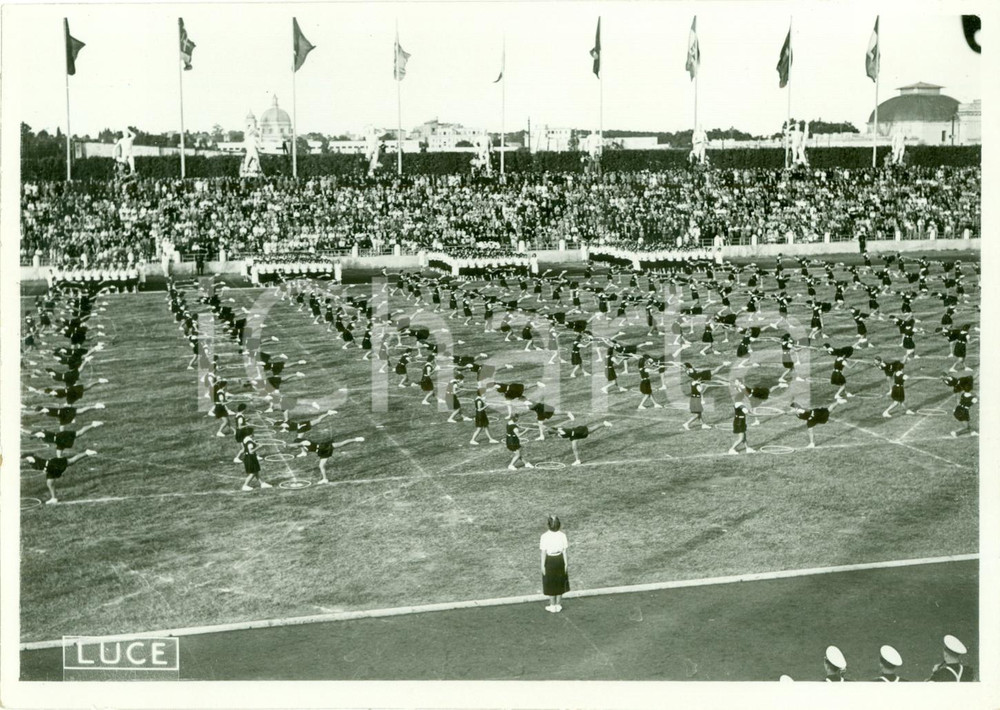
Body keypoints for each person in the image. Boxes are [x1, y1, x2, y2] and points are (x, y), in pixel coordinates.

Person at [23, 449, 97, 504]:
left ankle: (87, 453)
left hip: (53, 464)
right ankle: (54, 498)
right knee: (50, 483)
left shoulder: (29, 458)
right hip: (50, 468)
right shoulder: (30, 459)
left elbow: (24, 462)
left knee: (71, 461)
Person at [539, 514, 570, 613]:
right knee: (560, 582)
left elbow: (543, 552)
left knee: (550, 582)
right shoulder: (562, 535)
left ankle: (552, 605)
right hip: (560, 559)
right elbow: (564, 551)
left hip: (550, 560)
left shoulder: (544, 536)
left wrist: (542, 565)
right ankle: (558, 604)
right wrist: (566, 563)